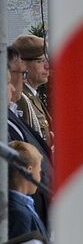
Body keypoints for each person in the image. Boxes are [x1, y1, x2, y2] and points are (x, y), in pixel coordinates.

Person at [7, 48, 53, 227]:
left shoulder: (15, 109)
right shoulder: (19, 106)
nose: (12, 86)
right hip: (22, 213)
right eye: (22, 73)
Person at [7, 141, 49, 244]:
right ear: (29, 171)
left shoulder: (22, 206)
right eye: (39, 171)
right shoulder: (19, 213)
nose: (40, 177)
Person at [12, 34, 52, 147]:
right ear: (23, 65)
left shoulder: (32, 95)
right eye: (40, 61)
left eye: (47, 60)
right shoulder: (21, 99)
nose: (47, 66)